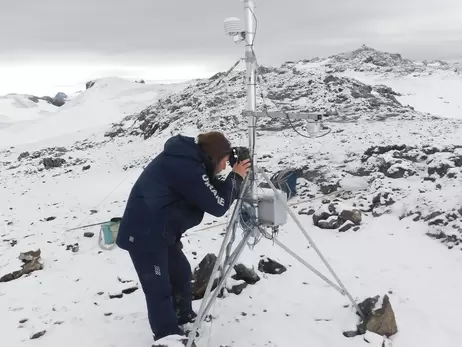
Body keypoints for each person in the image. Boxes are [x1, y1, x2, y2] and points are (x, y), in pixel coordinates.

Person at [116, 131, 251, 342]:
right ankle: (167, 337)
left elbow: (209, 188)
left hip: (160, 231)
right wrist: (236, 176)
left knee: (180, 273)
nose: (224, 167)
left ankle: (183, 316)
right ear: (212, 157)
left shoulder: (190, 160)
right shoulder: (186, 168)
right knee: (158, 289)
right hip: (144, 235)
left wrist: (233, 170)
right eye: (223, 161)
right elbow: (217, 205)